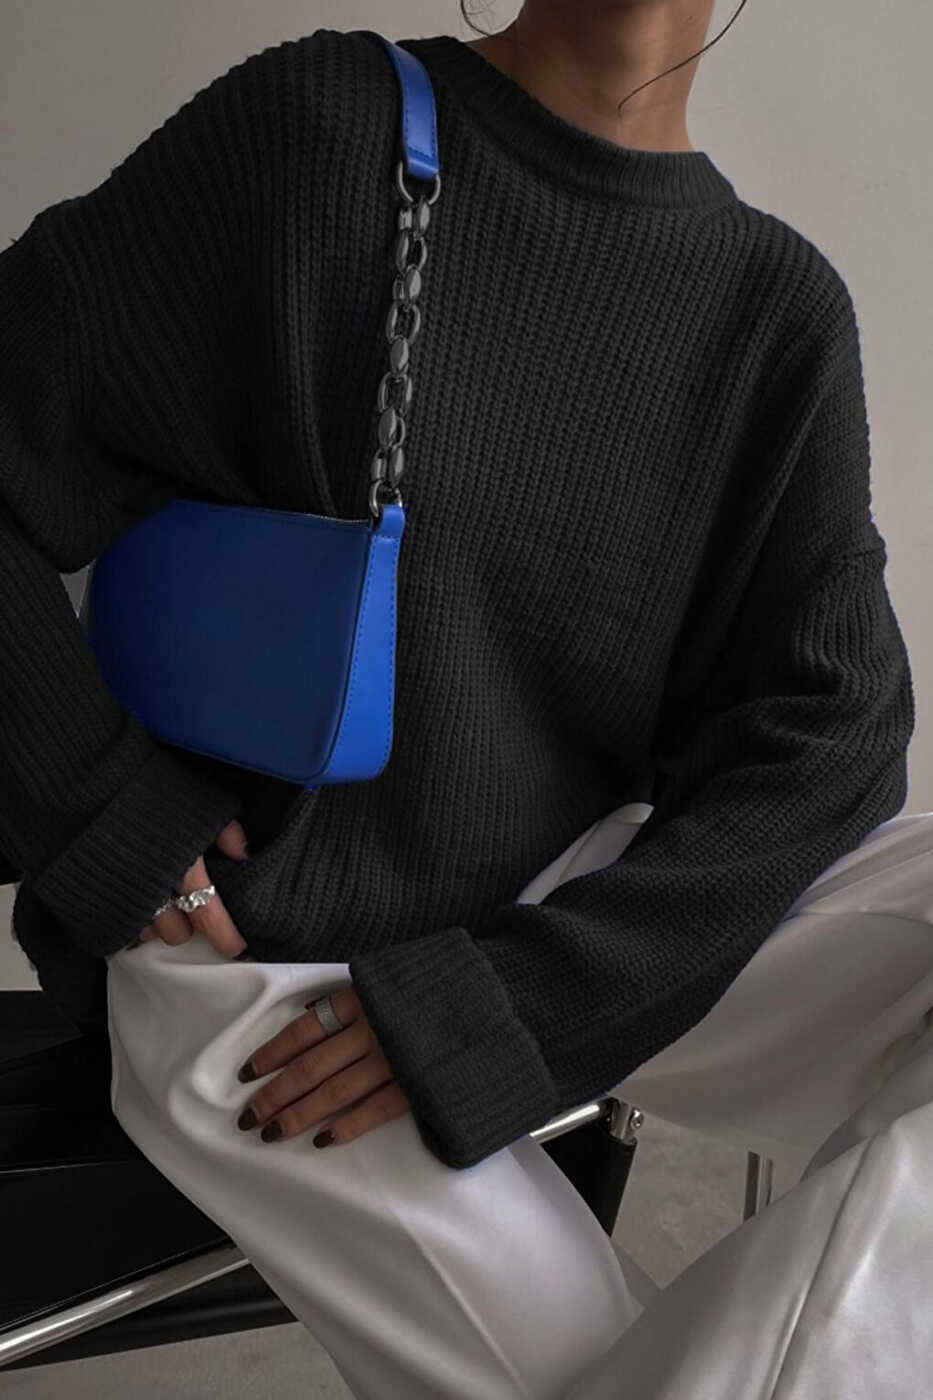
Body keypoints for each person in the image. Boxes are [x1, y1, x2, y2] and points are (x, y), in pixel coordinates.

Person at [1, 4, 925, 1396]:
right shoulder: (323, 133)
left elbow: (833, 729)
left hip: (553, 906)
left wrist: (520, 1004)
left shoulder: (767, 307)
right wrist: (105, 815)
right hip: (268, 961)